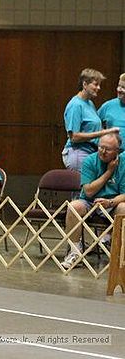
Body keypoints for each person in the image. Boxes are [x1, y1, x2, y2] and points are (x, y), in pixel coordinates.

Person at [61, 133, 125, 269]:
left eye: (107, 149)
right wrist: (109, 172)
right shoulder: (90, 161)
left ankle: (119, 253)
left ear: (117, 151)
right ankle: (75, 252)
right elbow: (89, 191)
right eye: (100, 147)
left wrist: (111, 202)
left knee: (124, 208)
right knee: (74, 206)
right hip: (90, 201)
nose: (102, 151)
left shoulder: (123, 163)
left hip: (113, 202)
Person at [62, 68, 119, 171]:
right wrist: (104, 132)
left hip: (91, 152)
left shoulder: (89, 103)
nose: (99, 88)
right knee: (84, 186)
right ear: (85, 84)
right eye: (96, 84)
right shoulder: (75, 105)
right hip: (78, 153)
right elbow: (74, 137)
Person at [98, 73, 125, 151]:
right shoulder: (108, 105)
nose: (119, 90)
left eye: (123, 87)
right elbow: (94, 125)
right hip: (110, 155)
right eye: (119, 86)